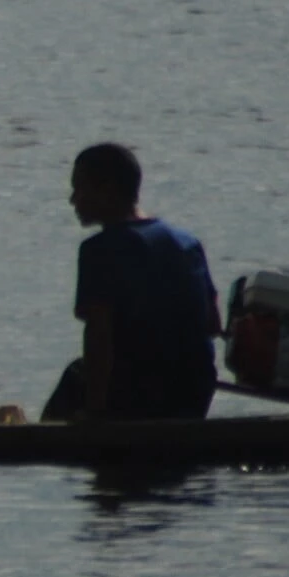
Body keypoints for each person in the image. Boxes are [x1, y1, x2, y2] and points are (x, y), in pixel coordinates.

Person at [42, 143, 221, 421]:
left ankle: (42, 444)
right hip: (194, 395)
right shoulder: (187, 243)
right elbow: (212, 325)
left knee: (75, 375)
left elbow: (99, 335)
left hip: (140, 400)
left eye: (80, 188)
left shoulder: (100, 250)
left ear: (108, 190)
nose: (73, 199)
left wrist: (94, 412)